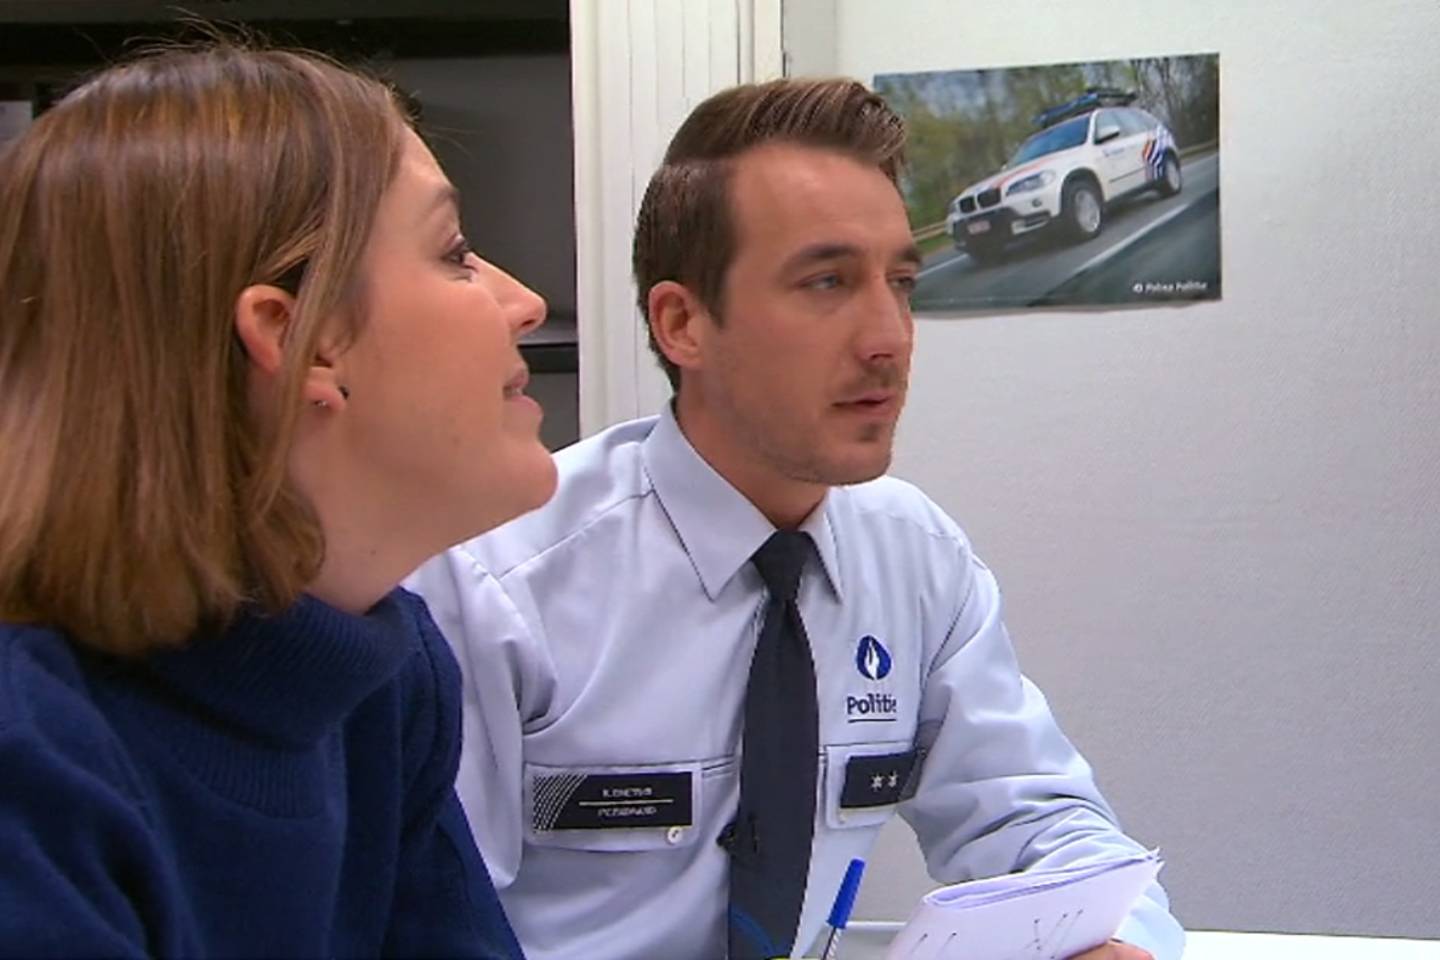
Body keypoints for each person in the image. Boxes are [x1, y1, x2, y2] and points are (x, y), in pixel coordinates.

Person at [408, 78, 1184, 960]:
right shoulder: (498, 581)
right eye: (827, 282)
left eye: (901, 282)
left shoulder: (914, 558)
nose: (888, 337)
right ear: (682, 323)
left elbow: (1035, 817)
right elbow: (423, 920)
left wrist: (1110, 936)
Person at [0, 41, 556, 956]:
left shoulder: (382, 677)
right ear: (298, 337)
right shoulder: (31, 755)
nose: (525, 302)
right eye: (455, 253)